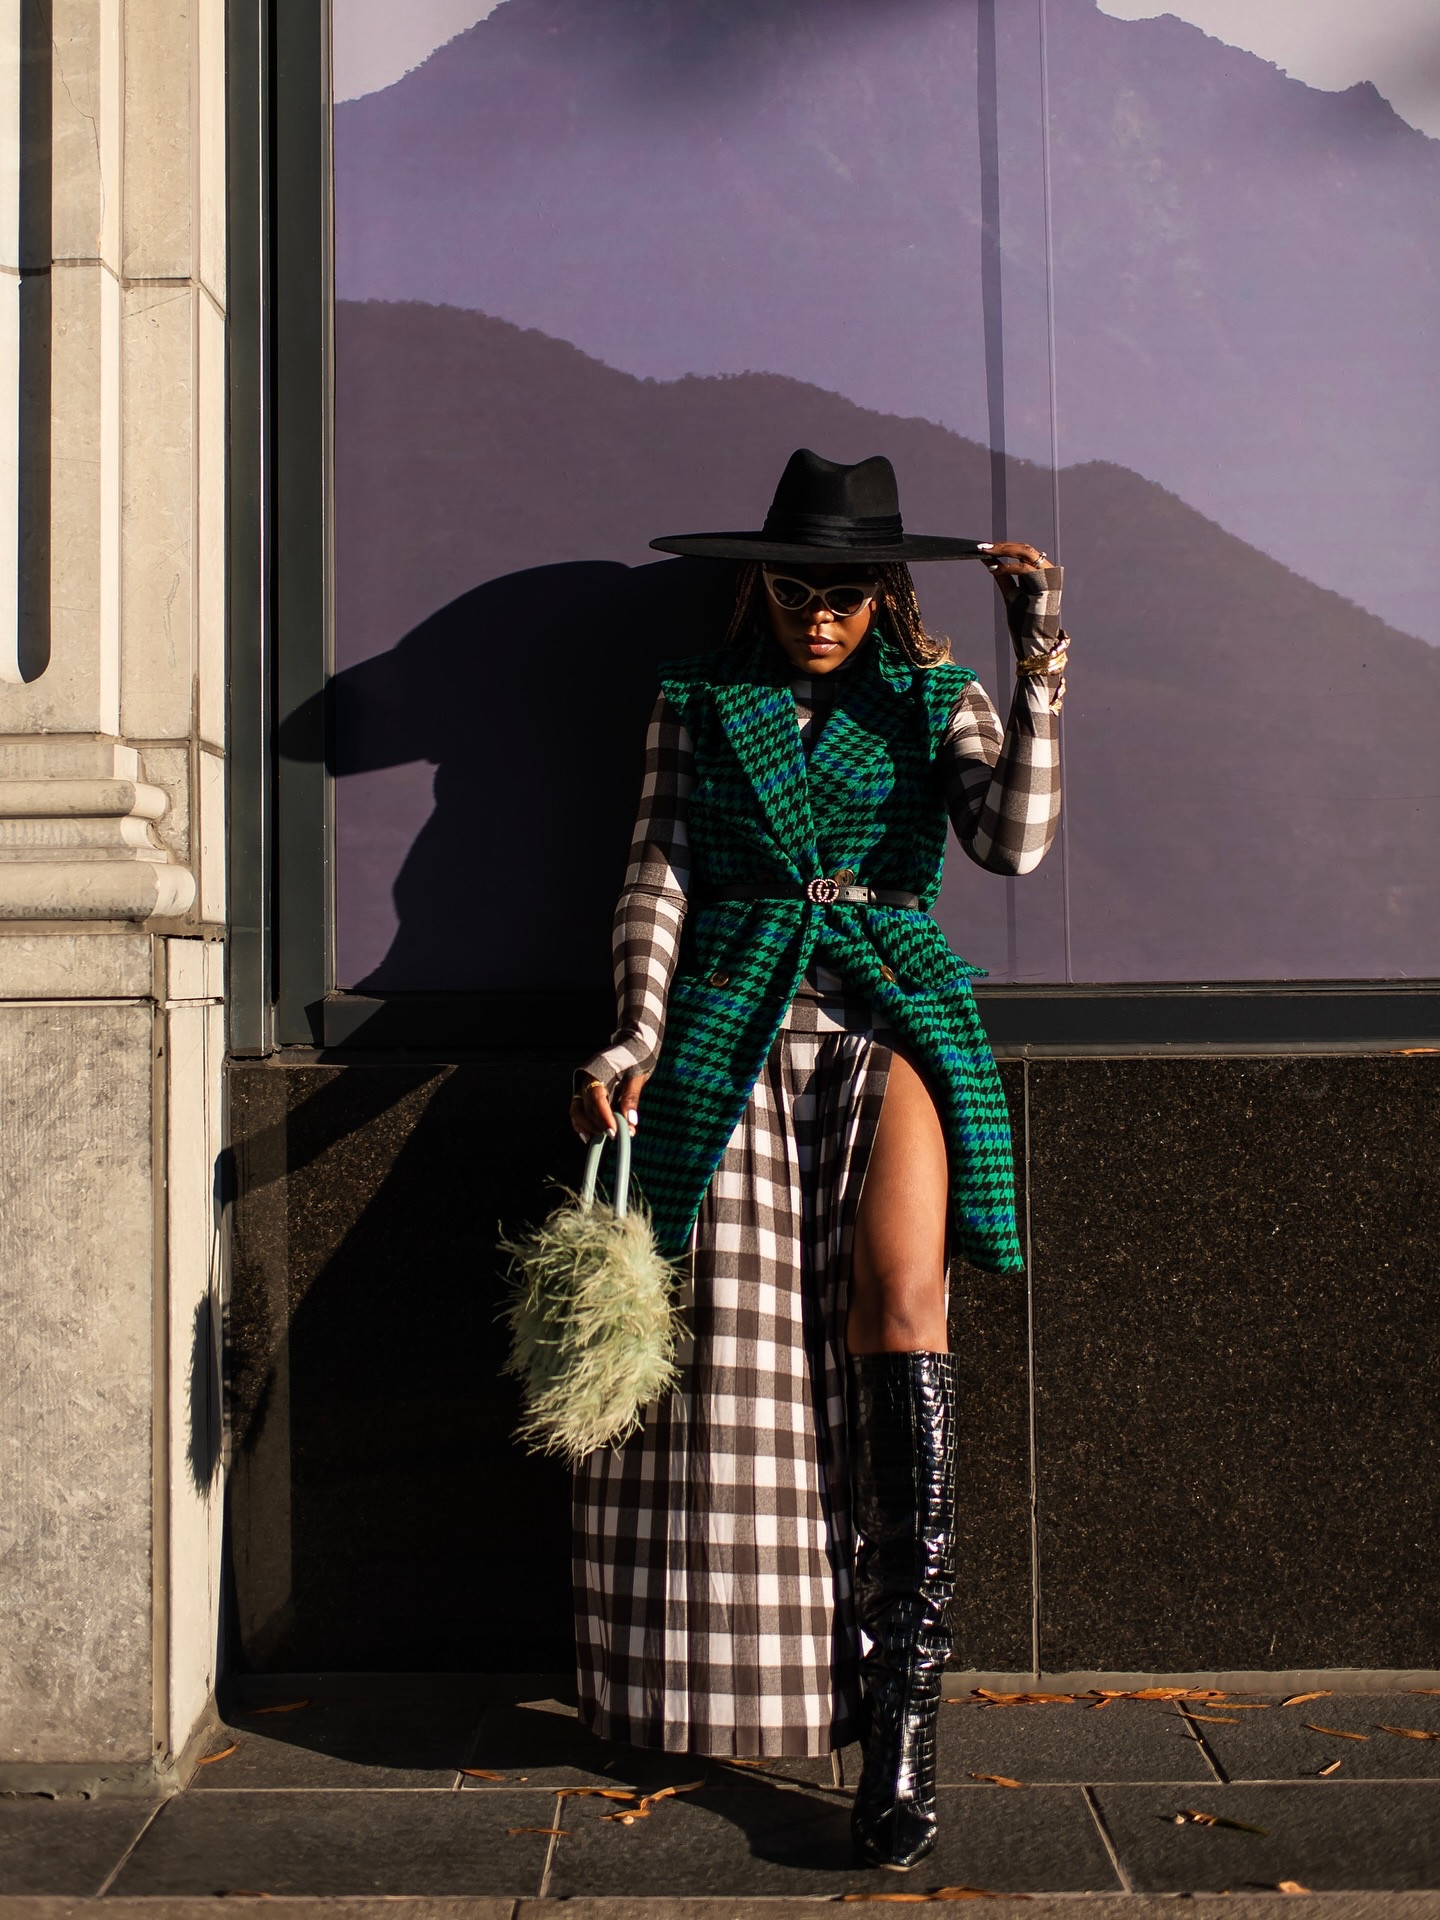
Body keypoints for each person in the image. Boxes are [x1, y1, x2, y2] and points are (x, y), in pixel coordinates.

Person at [567, 448, 1067, 1871]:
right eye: (797, 590)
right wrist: (634, 1031)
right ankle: (721, 1678)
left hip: (892, 1008)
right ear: (760, 587)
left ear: (887, 590)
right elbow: (658, 866)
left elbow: (1012, 846)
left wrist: (1037, 672)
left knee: (906, 1309)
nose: (823, 615)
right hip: (730, 1016)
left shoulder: (936, 695)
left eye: (847, 592)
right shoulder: (696, 695)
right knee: (724, 1355)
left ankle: (903, 1719)